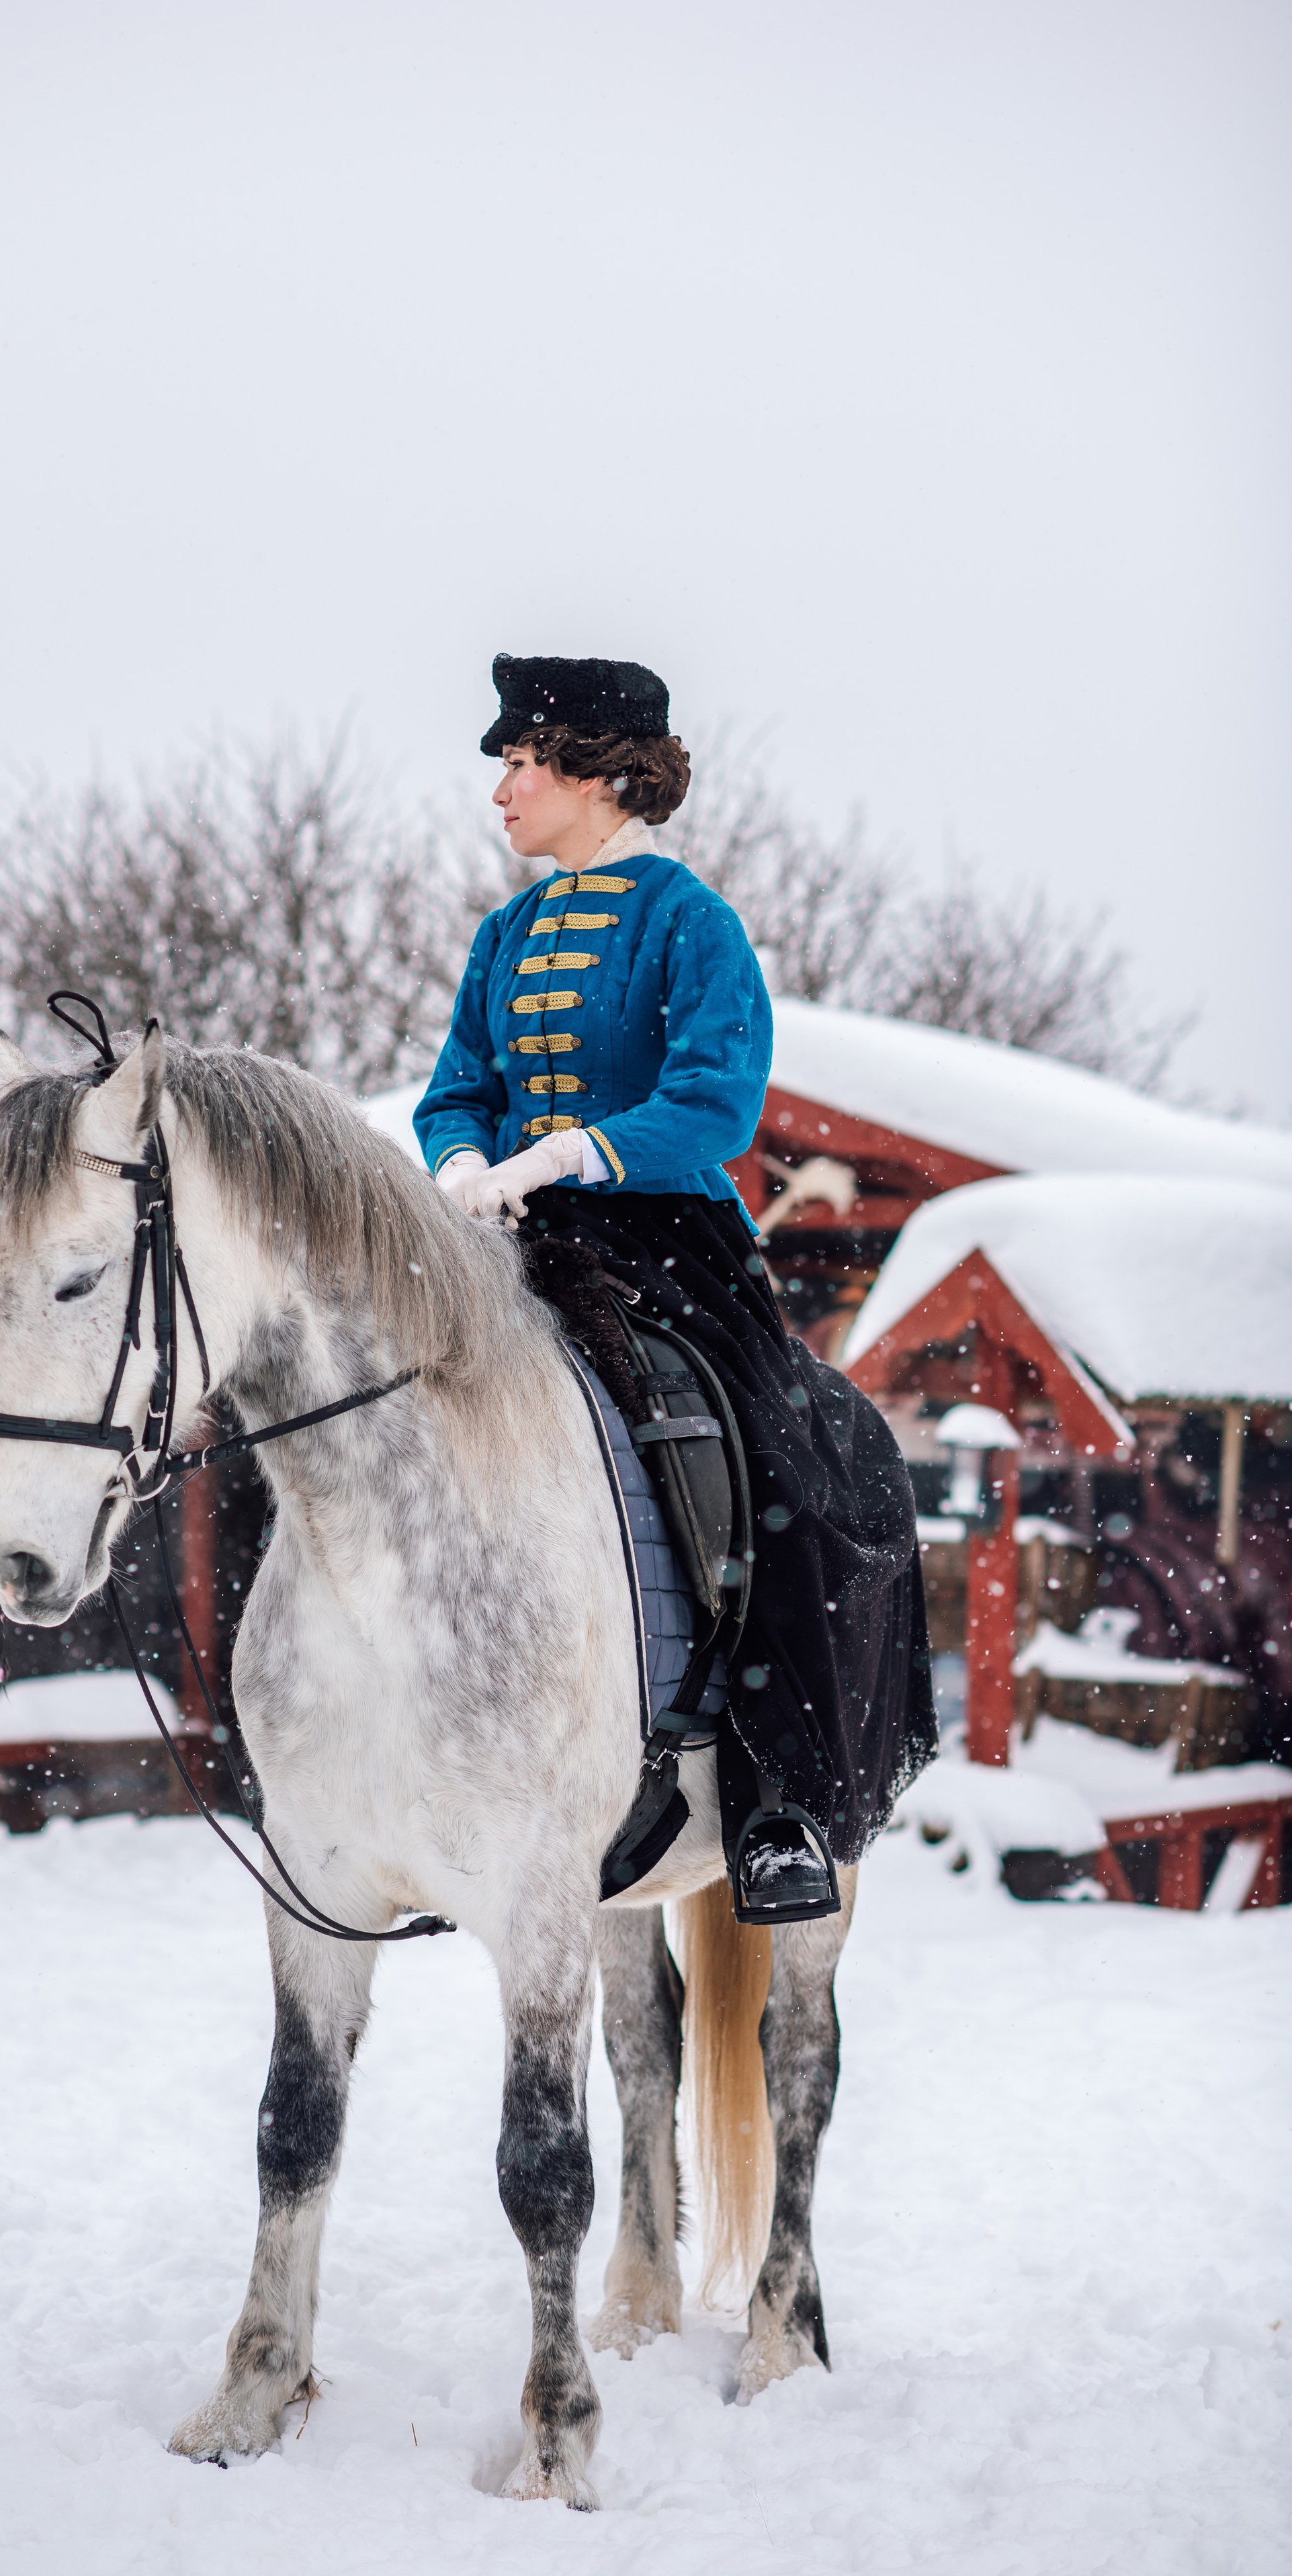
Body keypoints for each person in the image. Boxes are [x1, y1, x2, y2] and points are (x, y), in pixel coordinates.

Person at [415, 653, 936, 1918]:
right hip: (507, 1239)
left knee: (782, 1465)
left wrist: (578, 1148)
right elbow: (454, 1091)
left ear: (597, 772)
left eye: (522, 764)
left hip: (662, 1245)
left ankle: (781, 1806)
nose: (502, 790)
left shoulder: (687, 920)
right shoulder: (507, 934)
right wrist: (469, 1161)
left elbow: (714, 1098)